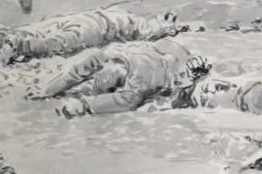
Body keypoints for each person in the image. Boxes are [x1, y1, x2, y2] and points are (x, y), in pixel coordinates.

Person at [30, 38, 211, 116]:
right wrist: (49, 89)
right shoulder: (108, 54)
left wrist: (83, 105)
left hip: (173, 66)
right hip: (164, 51)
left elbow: (125, 101)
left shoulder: (138, 80)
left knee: (185, 82)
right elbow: (76, 72)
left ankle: (192, 72)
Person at [0, 8, 186, 64]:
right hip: (98, 24)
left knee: (49, 33)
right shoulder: (138, 26)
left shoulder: (131, 20)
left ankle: (1, 38)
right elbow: (151, 31)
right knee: (56, 40)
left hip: (93, 21)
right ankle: (15, 42)